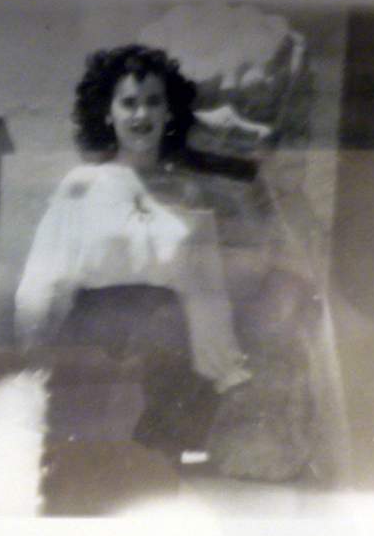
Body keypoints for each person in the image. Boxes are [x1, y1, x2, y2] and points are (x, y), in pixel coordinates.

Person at [14, 44, 252, 463]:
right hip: (94, 346)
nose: (141, 114)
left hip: (166, 354)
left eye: (153, 102)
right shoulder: (82, 184)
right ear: (108, 113)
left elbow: (206, 291)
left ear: (169, 112)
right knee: (89, 470)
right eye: (128, 103)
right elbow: (44, 277)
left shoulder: (189, 192)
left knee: (153, 474)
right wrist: (34, 353)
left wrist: (227, 371)